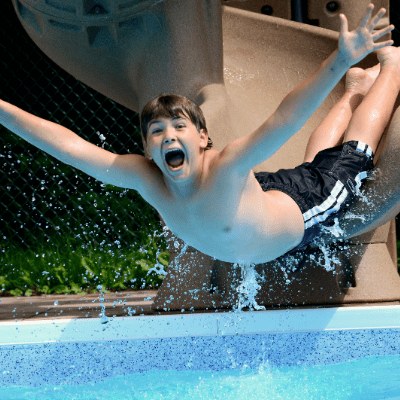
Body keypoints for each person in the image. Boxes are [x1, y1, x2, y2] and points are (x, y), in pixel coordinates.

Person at [0, 5, 397, 268]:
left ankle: (391, 67)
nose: (168, 136)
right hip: (262, 199)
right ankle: (354, 90)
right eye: (157, 131)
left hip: (303, 213)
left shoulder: (227, 167)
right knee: (315, 168)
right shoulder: (146, 177)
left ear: (203, 138)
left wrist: (339, 60)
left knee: (353, 157)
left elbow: (285, 120)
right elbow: (71, 147)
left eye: (178, 127)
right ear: (147, 149)